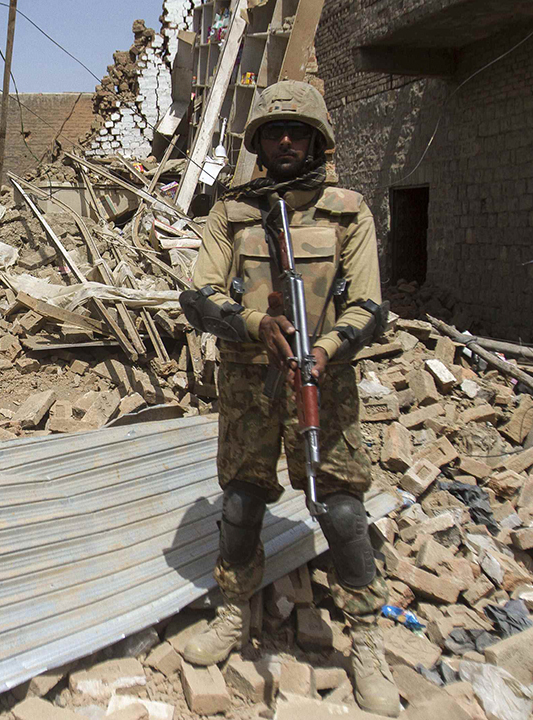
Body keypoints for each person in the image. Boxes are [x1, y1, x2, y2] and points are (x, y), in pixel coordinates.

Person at [178, 80, 399, 717]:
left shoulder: (348, 212)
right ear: (257, 143)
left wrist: (325, 349)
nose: (283, 141)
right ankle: (231, 612)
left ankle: (366, 638)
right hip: (250, 380)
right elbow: (199, 295)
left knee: (341, 509)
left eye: (296, 132)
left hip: (323, 380)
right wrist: (255, 325)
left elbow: (371, 306)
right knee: (243, 500)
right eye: (273, 132)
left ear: (316, 141)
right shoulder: (232, 213)